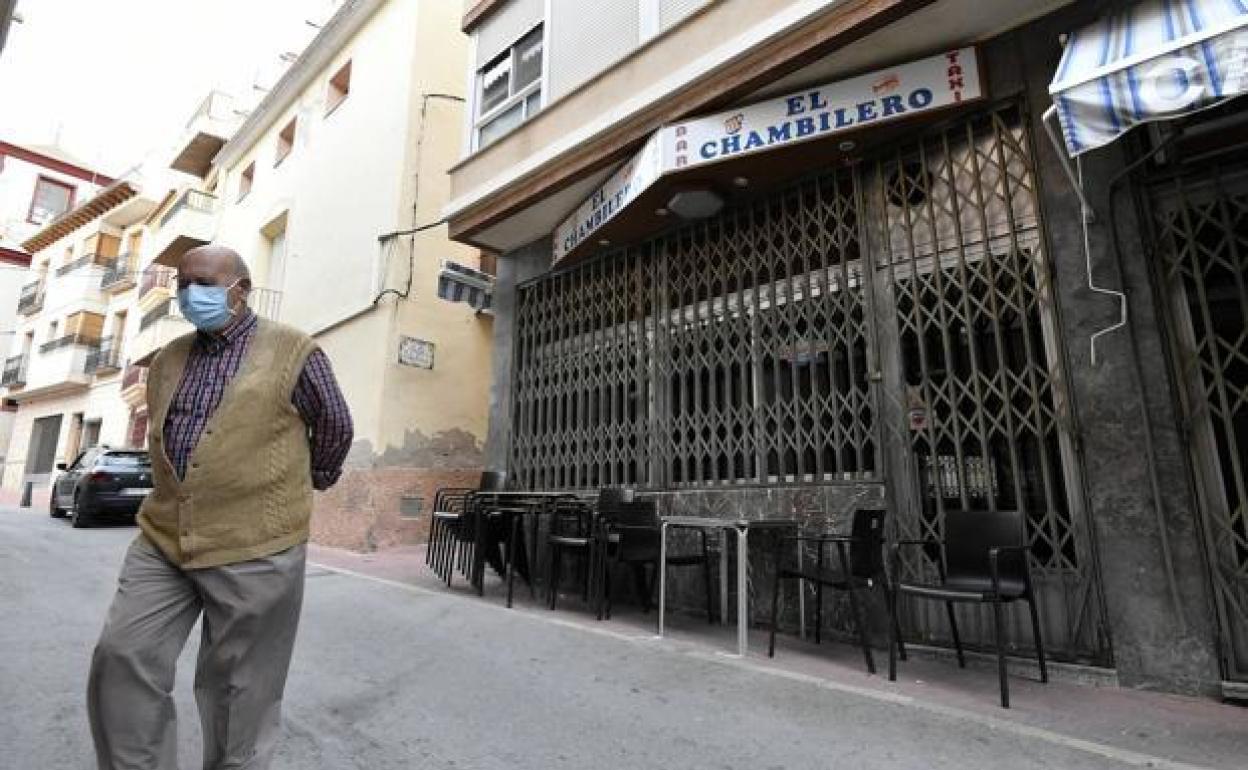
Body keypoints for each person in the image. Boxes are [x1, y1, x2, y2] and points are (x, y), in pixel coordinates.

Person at [87, 244, 354, 769]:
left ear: (241, 289)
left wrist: (304, 484)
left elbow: (335, 426)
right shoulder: (168, 358)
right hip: (164, 538)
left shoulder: (294, 350)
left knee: (240, 692)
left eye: (206, 284)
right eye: (184, 284)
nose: (192, 294)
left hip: (257, 545)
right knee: (122, 656)